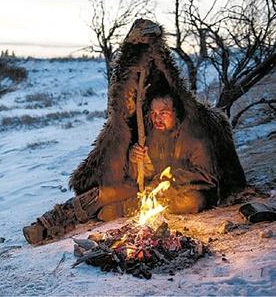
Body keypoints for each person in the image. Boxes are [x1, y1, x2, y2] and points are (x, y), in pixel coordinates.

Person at [23, 19, 246, 245]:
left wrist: (163, 180)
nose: (158, 117)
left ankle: (123, 209)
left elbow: (206, 176)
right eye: (154, 112)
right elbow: (134, 174)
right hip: (142, 189)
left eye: (164, 112)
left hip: (178, 193)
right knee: (103, 194)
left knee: (191, 202)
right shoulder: (148, 129)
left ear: (175, 112)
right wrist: (133, 159)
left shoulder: (194, 133)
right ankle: (49, 223)